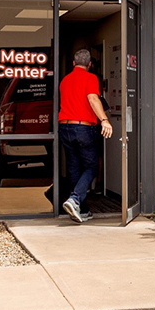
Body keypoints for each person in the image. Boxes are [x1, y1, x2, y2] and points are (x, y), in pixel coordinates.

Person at [58, 48, 113, 222]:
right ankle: (74, 199)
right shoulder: (90, 78)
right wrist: (104, 120)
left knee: (74, 168)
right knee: (91, 167)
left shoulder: (65, 80)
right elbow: (93, 99)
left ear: (73, 63)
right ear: (89, 64)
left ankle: (81, 210)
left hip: (65, 127)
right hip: (83, 128)